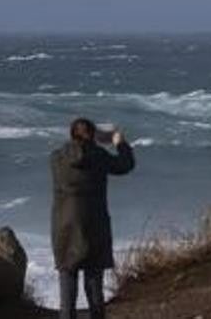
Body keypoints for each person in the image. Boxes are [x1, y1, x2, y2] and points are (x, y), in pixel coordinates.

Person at [50, 117, 135, 319]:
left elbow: (77, 152)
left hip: (64, 227)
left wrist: (93, 139)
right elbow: (125, 165)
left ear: (71, 134)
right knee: (94, 285)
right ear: (92, 135)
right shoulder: (99, 156)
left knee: (67, 286)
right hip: (94, 226)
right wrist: (119, 142)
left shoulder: (56, 158)